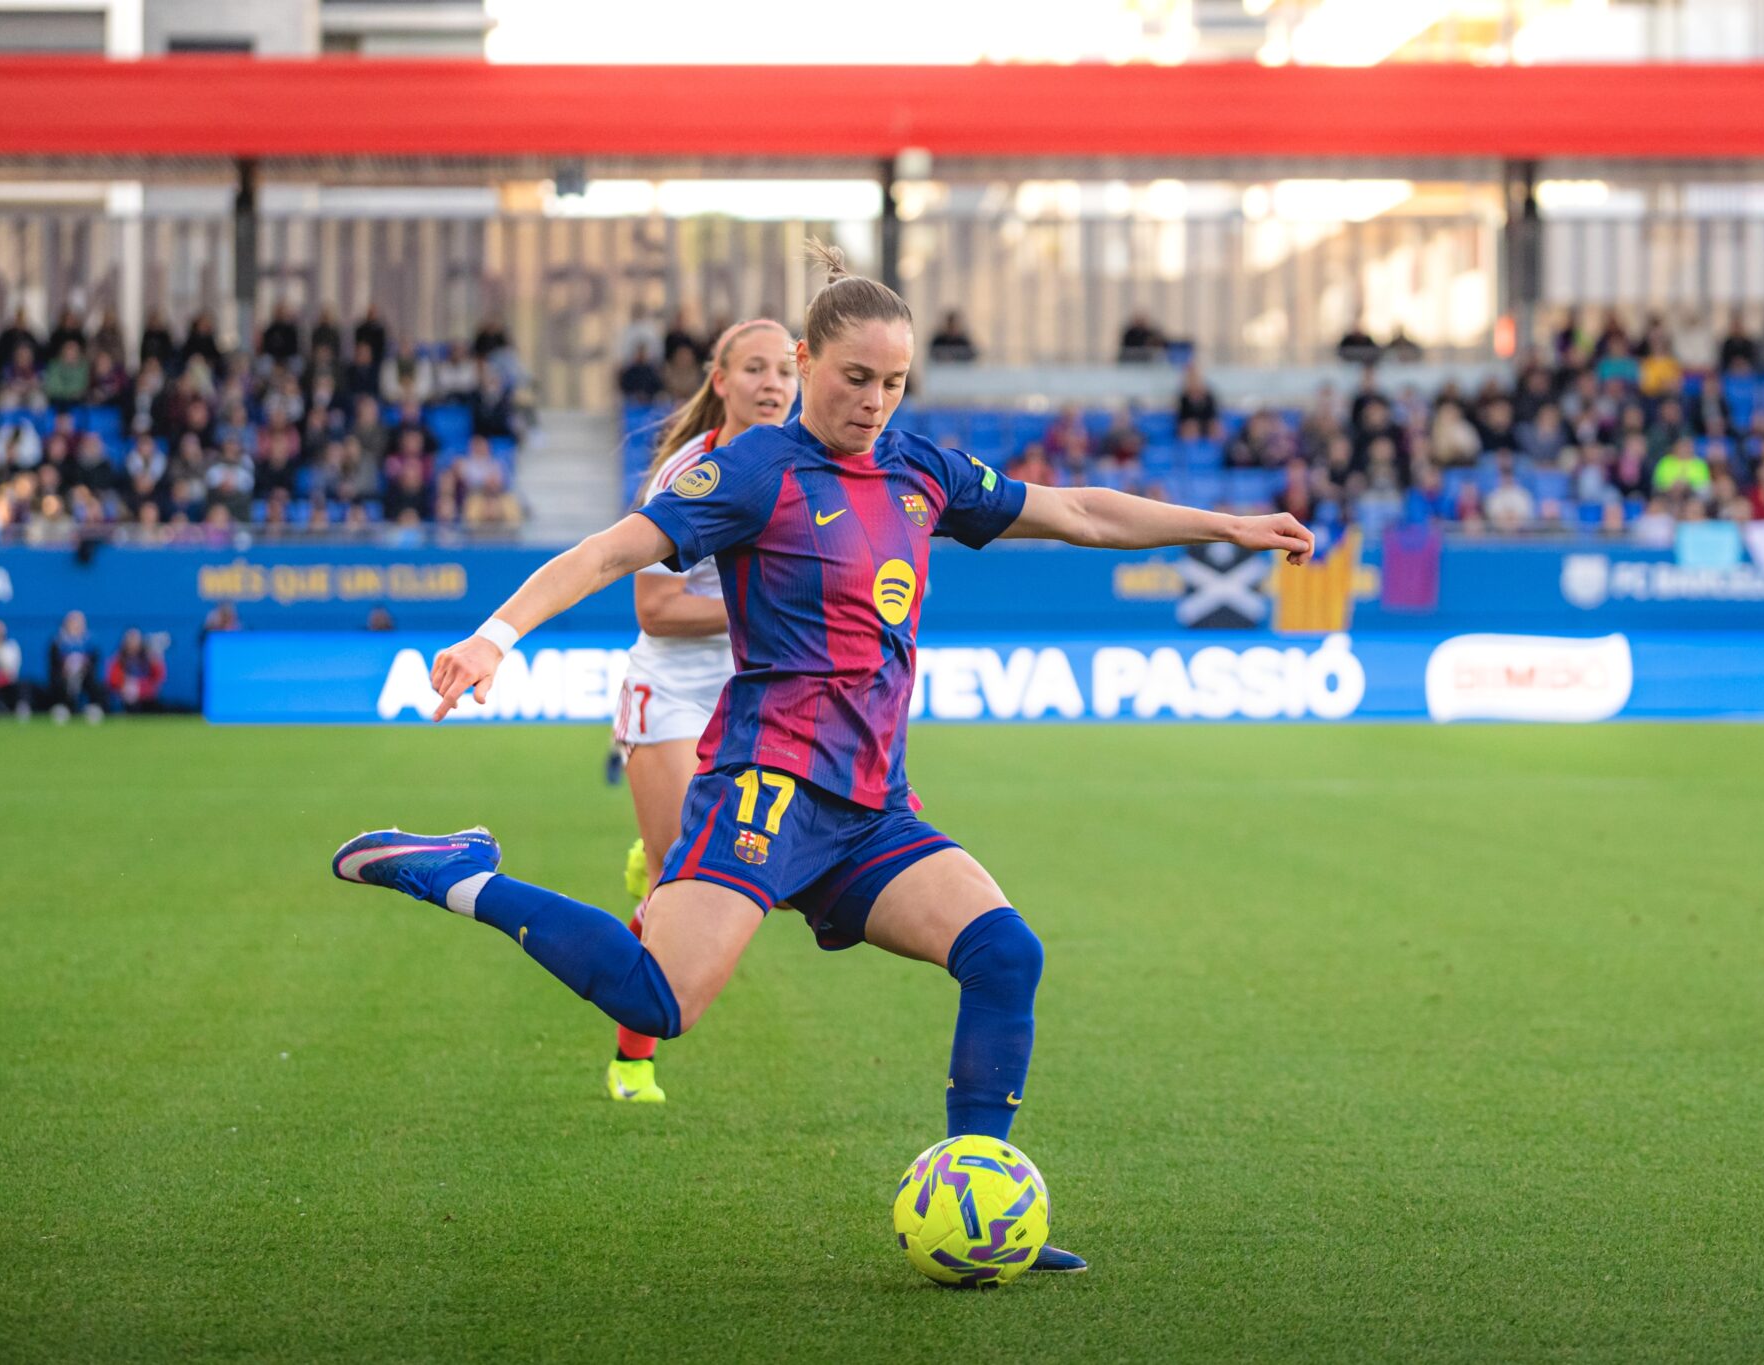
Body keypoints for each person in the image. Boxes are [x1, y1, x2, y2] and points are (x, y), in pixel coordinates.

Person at [331, 241, 1315, 1277]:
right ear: (805, 362)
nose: (874, 402)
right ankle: (459, 873)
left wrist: (1224, 524)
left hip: (872, 807)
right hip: (766, 789)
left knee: (1004, 952)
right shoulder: (754, 469)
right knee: (658, 1001)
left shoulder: (920, 469)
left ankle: (980, 1202)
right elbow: (612, 552)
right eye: (855, 378)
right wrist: (495, 637)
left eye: (893, 382)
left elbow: (1075, 510)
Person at [602, 316, 796, 1105]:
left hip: (757, 690)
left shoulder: (814, 464)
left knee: (757, 876)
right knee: (678, 885)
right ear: (720, 381)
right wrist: (763, 609)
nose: (772, 383)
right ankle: (632, 1062)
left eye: (785, 369)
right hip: (677, 690)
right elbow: (655, 608)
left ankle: (658, 849)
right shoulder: (688, 474)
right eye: (754, 368)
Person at [46, 610, 105, 723]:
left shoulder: (90, 643)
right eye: (73, 623)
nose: (76, 626)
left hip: (84, 676)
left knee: (95, 682)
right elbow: (53, 666)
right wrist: (66, 667)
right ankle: (62, 707)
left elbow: (94, 664)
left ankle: (93, 707)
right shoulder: (57, 642)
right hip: (64, 677)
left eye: (79, 623)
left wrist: (83, 666)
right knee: (58, 681)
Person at [105, 627, 167, 713]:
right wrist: (125, 686)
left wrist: (140, 688)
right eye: (130, 639)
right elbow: (113, 680)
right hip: (125, 695)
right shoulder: (118, 659)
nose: (133, 643)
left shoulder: (148, 657)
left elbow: (158, 678)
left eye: (135, 639)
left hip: (146, 694)